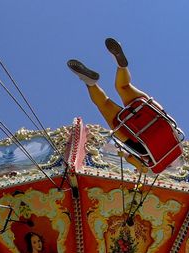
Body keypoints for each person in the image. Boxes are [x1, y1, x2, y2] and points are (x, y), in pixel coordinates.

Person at [67, 38, 177, 171]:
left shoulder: (175, 143)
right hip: (133, 137)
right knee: (104, 104)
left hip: (154, 116)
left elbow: (173, 127)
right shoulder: (150, 167)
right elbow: (132, 159)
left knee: (124, 86)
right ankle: (90, 82)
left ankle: (121, 66)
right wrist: (125, 156)